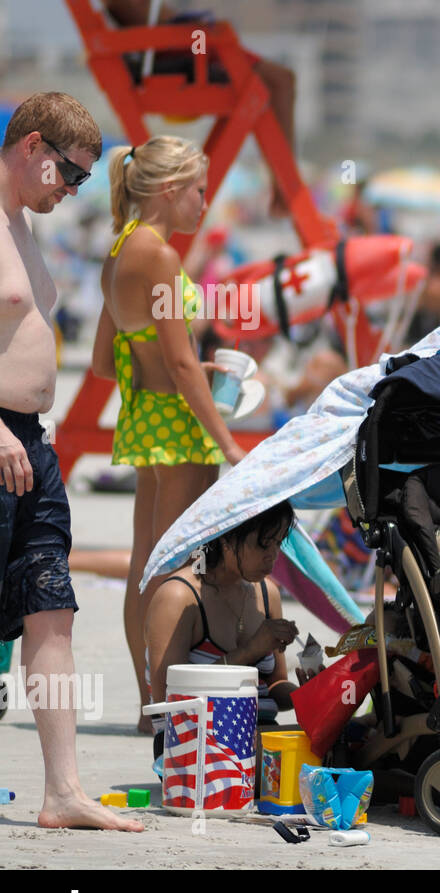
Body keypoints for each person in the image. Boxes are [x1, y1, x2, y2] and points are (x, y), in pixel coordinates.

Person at [0, 91, 142, 830]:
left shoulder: (23, 227)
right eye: (70, 173)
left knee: (52, 613)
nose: (75, 189)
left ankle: (62, 792)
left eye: (86, 179)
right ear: (29, 147)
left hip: (33, 445)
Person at [91, 135, 247, 733]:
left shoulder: (119, 251)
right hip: (179, 429)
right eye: (201, 190)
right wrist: (230, 444)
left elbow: (107, 359)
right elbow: (182, 365)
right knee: (177, 568)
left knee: (146, 564)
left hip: (143, 419)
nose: (205, 203)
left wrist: (172, 364)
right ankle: (167, 701)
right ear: (170, 189)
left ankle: (147, 701)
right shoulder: (160, 256)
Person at [104, 0, 298, 218]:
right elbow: (142, 15)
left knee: (278, 80)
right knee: (281, 80)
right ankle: (286, 186)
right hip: (187, 45)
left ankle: (284, 184)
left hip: (187, 43)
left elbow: (142, 15)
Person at [144, 501, 302, 760]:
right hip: (192, 742)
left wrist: (309, 696)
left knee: (346, 741)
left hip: (260, 734)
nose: (272, 554)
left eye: (278, 543)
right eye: (264, 543)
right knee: (317, 762)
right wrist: (251, 651)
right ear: (227, 539)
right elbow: (169, 702)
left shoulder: (266, 592)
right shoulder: (179, 597)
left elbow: (275, 685)